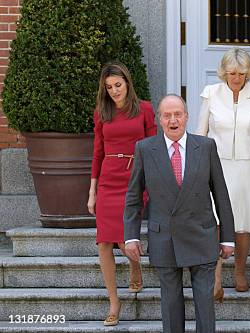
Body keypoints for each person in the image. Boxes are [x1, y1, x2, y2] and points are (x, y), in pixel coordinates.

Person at [124, 95, 235, 333]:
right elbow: (134, 197)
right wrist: (131, 236)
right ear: (159, 120)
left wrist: (227, 237)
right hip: (165, 236)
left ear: (186, 116)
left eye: (177, 114)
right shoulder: (145, 149)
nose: (173, 120)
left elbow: (221, 194)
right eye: (167, 115)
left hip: (201, 234)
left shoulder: (205, 146)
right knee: (171, 304)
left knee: (205, 304)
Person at [196, 48, 250, 300]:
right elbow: (201, 132)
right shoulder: (211, 93)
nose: (236, 77)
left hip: (246, 165)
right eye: (231, 73)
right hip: (216, 165)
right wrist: (197, 167)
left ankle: (240, 272)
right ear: (224, 72)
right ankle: (216, 278)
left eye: (241, 73)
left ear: (248, 73)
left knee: (242, 225)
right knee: (217, 223)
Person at [87, 62, 157, 327]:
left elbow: (153, 148)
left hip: (134, 179)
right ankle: (114, 301)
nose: (114, 91)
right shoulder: (101, 112)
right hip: (107, 180)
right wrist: (92, 192)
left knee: (126, 236)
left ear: (127, 82)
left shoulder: (146, 109)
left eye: (118, 85)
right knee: (105, 241)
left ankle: (135, 264)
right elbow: (97, 153)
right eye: (109, 87)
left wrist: (150, 185)